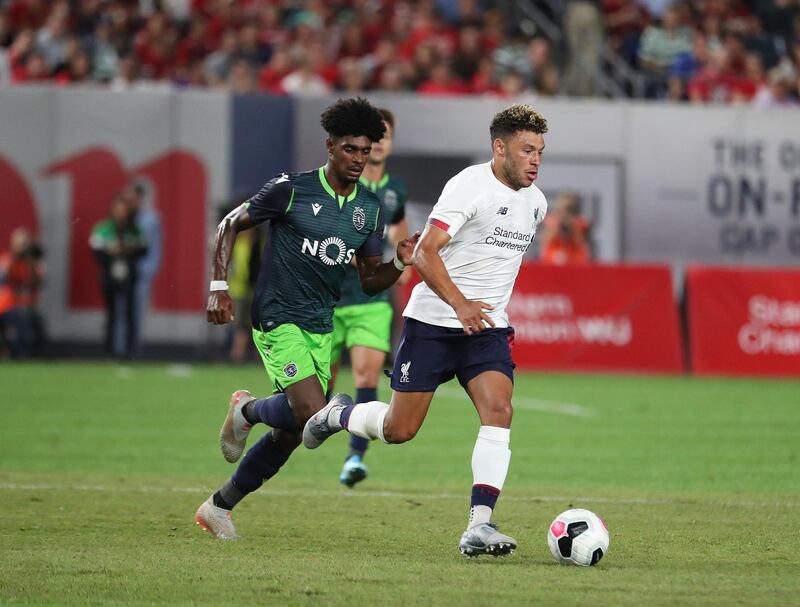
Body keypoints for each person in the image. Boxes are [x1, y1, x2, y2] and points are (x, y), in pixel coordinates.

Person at [303, 104, 549, 558]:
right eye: (526, 149)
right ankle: (337, 415)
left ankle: (480, 525)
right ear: (499, 148)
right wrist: (460, 305)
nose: (535, 160)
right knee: (399, 430)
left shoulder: (536, 204)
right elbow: (425, 253)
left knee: (500, 410)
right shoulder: (467, 186)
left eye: (540, 151)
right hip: (435, 323)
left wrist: (479, 311)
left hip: (487, 330)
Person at [195, 97, 420, 540]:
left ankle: (219, 504)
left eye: (366, 150)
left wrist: (398, 262)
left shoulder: (369, 209)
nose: (359, 158)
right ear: (330, 145)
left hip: (321, 322)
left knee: (295, 431)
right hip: (277, 316)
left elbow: (371, 280)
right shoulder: (290, 188)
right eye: (350, 149)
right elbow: (228, 226)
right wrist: (219, 287)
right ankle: (249, 411)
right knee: (313, 411)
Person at [327, 107, 409, 488]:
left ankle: (355, 458)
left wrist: (412, 261)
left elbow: (401, 241)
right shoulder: (339, 183)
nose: (377, 144)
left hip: (371, 300)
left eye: (384, 136)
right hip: (326, 297)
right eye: (372, 137)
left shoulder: (395, 193)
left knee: (365, 375)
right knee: (315, 394)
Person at [89, 194, 147, 359]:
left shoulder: (135, 230)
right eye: (119, 210)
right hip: (110, 273)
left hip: (129, 274)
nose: (122, 214)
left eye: (124, 210)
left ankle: (130, 351)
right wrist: (111, 252)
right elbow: (96, 253)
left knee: (130, 313)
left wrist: (129, 251)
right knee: (111, 314)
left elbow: (144, 249)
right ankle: (109, 350)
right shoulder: (103, 229)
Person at [121, 181, 162, 358]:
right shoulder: (122, 218)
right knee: (121, 310)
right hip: (123, 273)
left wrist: (149, 271)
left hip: (141, 272)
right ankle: (119, 349)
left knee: (137, 312)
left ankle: (134, 350)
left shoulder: (150, 220)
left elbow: (154, 248)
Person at [0, 227, 46, 358]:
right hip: (6, 307)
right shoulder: (7, 259)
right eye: (20, 244)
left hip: (26, 307)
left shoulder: (32, 263)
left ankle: (34, 356)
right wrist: (15, 259)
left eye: (25, 244)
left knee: (35, 324)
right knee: (20, 320)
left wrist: (31, 261)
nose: (22, 247)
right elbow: (4, 278)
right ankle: (17, 354)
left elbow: (38, 281)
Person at [539, 191, 591, 265]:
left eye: (568, 210)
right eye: (562, 210)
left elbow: (581, 243)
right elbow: (546, 240)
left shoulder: (581, 223)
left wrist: (572, 224)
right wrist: (559, 222)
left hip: (575, 259)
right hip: (553, 259)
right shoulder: (551, 221)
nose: (565, 213)